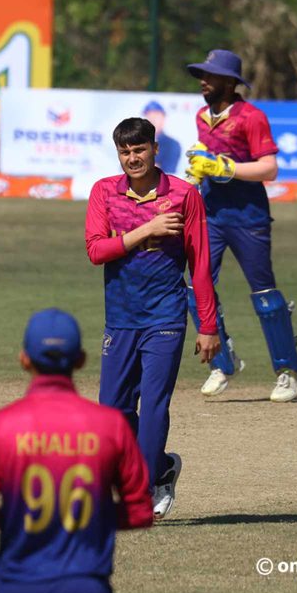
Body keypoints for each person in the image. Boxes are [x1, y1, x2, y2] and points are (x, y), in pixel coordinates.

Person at [0, 308, 153, 593]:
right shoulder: (111, 425)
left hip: (16, 589)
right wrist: (92, 514)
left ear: (24, 359)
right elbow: (141, 511)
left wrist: (16, 514)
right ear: (80, 360)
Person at [85, 117, 219, 519]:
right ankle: (162, 469)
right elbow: (96, 251)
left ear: (155, 149)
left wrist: (208, 327)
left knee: (155, 405)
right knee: (113, 409)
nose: (133, 158)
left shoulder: (184, 195)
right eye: (125, 152)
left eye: (139, 149)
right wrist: (146, 230)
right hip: (121, 317)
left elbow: (200, 264)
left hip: (166, 316)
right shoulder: (103, 192)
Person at [183, 48, 297, 402]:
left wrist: (226, 168)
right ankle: (222, 362)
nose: (203, 81)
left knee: (264, 295)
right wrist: (198, 171)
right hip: (211, 213)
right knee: (197, 288)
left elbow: (269, 168)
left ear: (230, 82)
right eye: (202, 75)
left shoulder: (251, 117)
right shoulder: (201, 116)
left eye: (210, 75)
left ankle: (287, 370)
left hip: (248, 216)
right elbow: (208, 158)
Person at [143, 100, 181, 173]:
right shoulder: (136, 143)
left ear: (163, 118)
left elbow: (168, 171)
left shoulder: (172, 145)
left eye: (156, 116)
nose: (152, 120)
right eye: (149, 116)